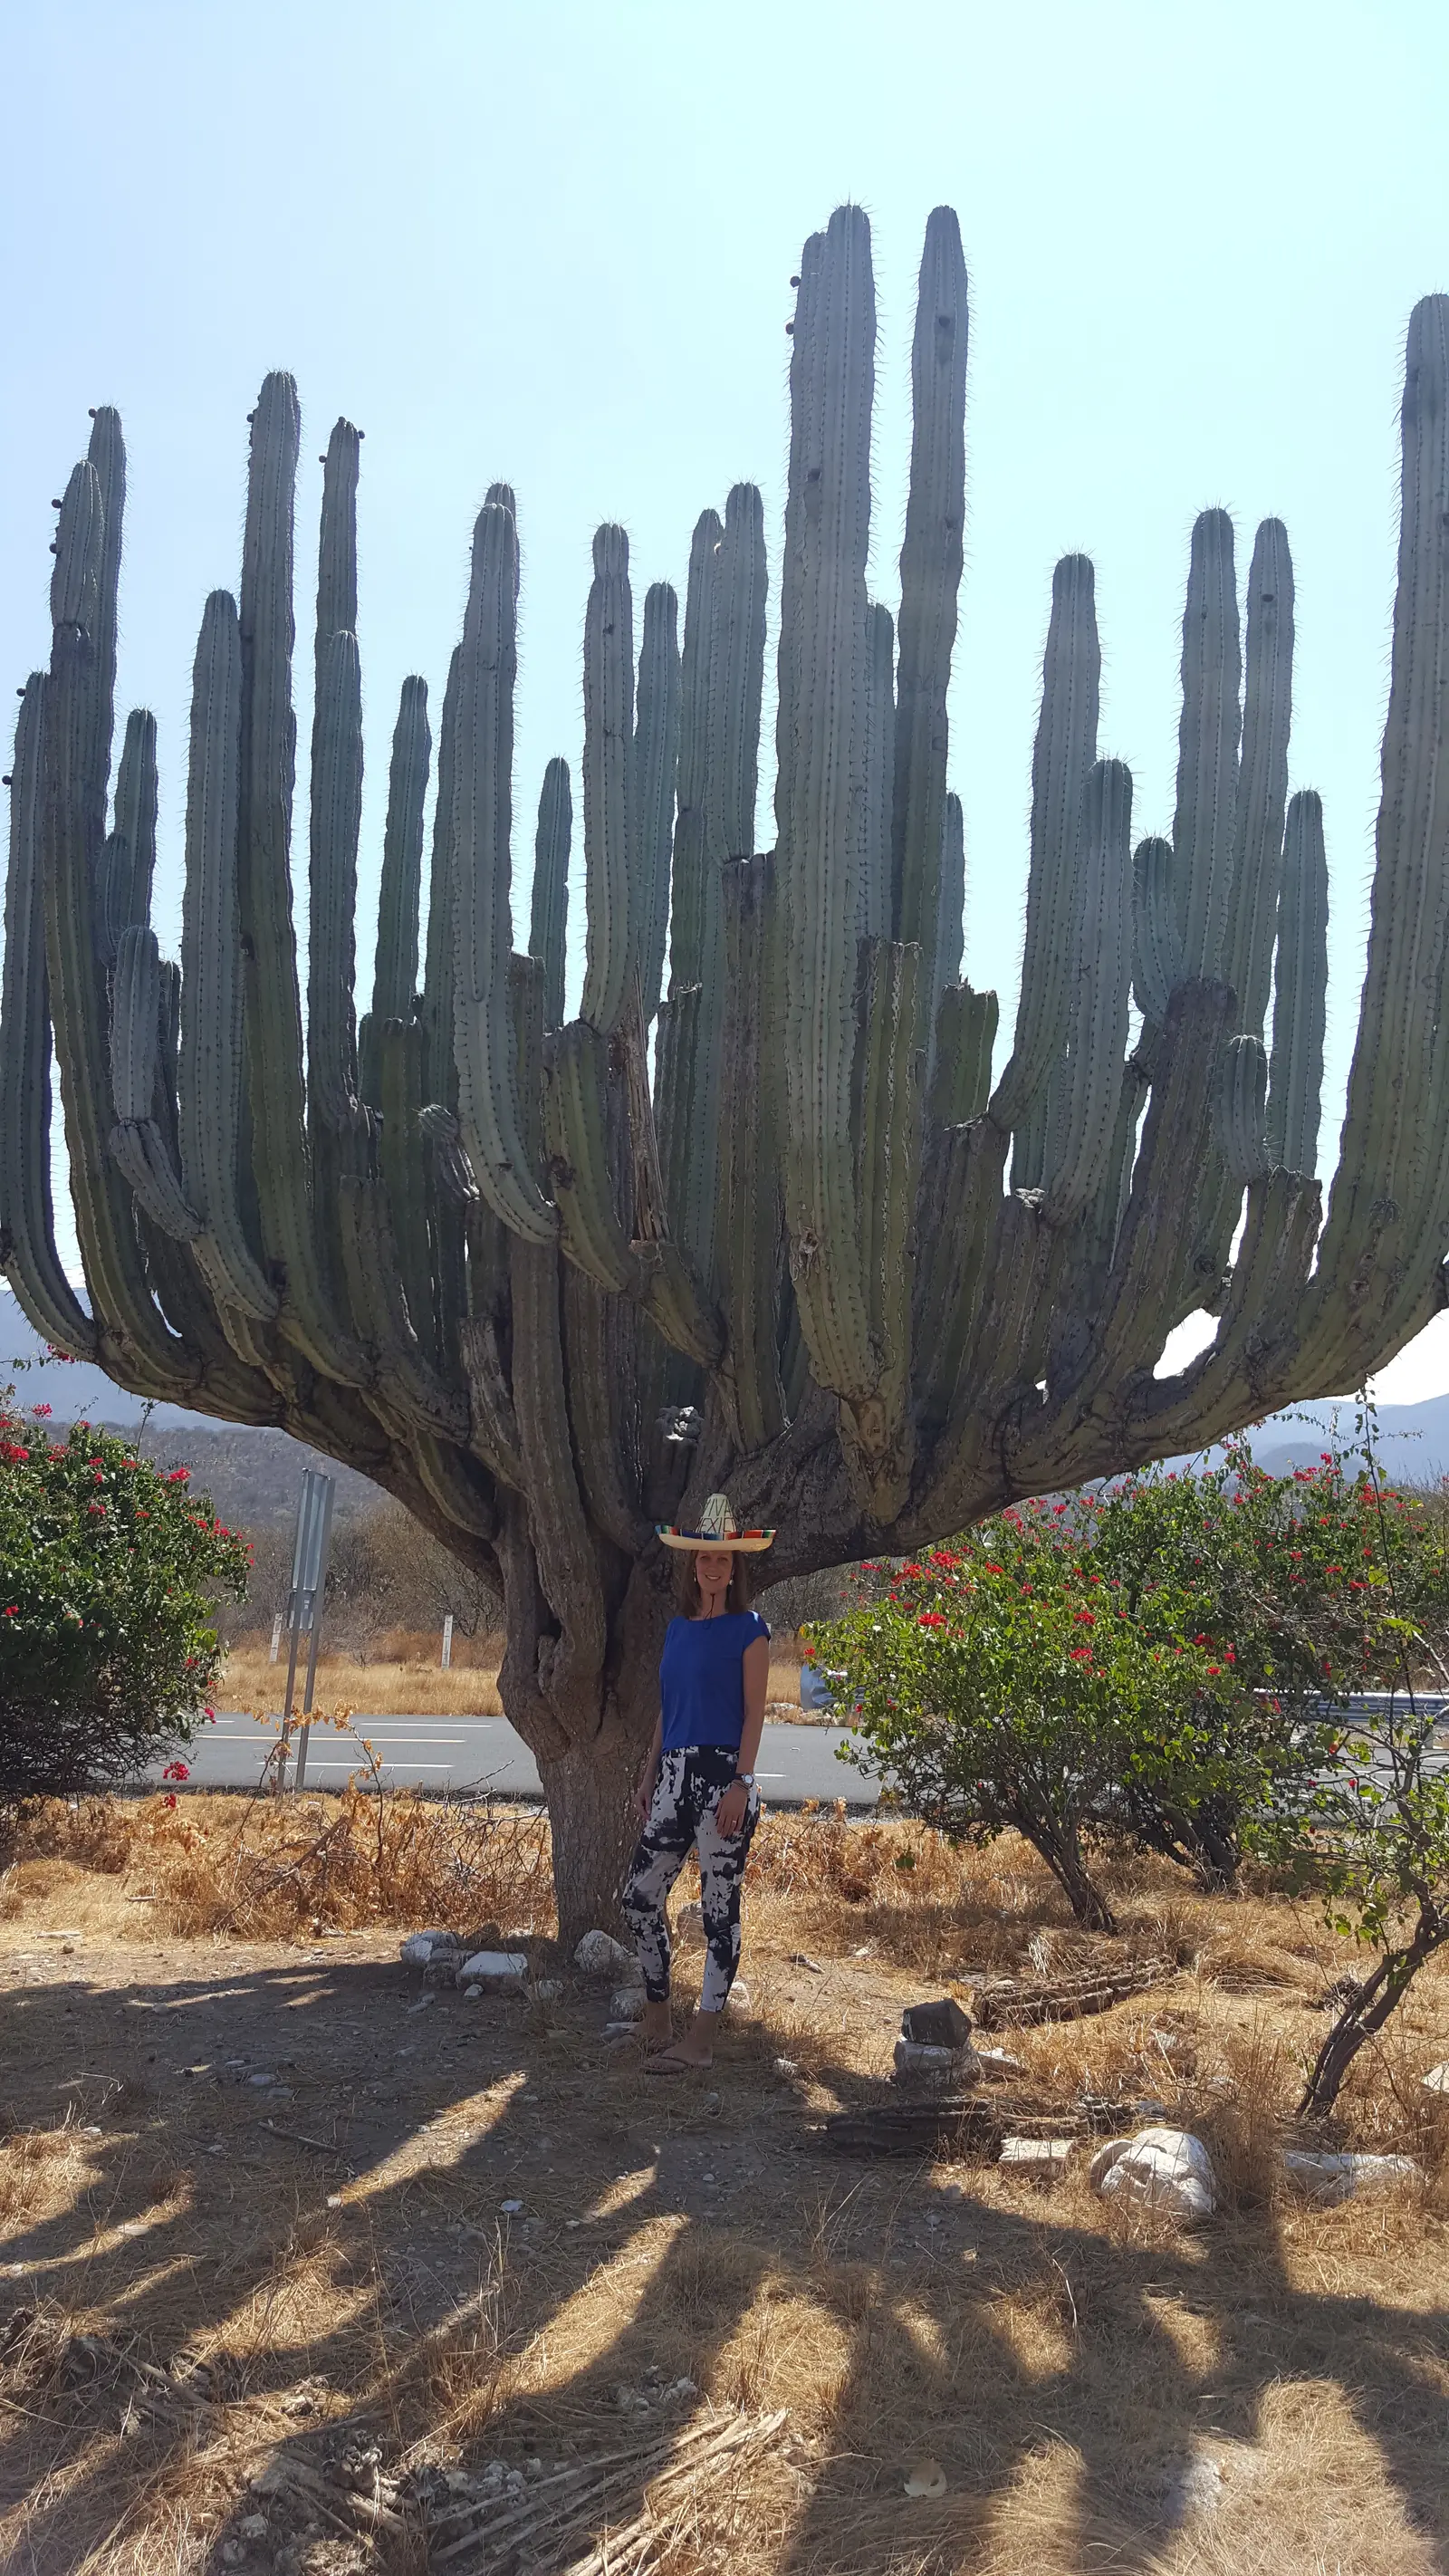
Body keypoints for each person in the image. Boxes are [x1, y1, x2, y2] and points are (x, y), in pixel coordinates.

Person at [621, 1492, 775, 2074]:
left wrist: (743, 1781)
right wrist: (648, 1771)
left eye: (723, 1560)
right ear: (693, 1565)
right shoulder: (678, 1630)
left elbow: (755, 1712)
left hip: (722, 1778)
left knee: (718, 1909)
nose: (713, 1568)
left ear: (735, 1567)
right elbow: (666, 1708)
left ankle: (702, 2039)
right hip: (671, 1776)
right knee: (639, 1898)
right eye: (704, 1560)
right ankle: (658, 2015)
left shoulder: (750, 1630)